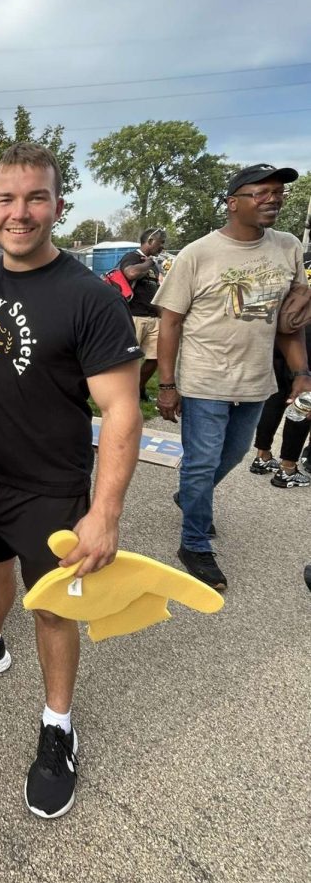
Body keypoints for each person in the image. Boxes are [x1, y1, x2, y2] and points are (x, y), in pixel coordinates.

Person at [0, 142, 143, 820]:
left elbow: (122, 410)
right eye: (6, 198)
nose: (19, 212)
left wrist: (104, 512)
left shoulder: (89, 299)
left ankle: (58, 726)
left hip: (49, 484)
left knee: (51, 607)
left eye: (35, 197)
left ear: (58, 204)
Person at [155, 164, 311, 590]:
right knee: (203, 461)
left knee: (237, 452)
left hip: (257, 379)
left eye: (278, 192)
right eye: (261, 192)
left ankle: (191, 494)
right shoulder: (197, 254)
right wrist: (167, 385)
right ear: (232, 202)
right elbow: (169, 323)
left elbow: (288, 322)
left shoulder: (288, 247)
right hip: (205, 378)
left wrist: (301, 372)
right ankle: (195, 543)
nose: (273, 199)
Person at [249, 324, 311, 488]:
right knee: (302, 403)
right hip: (305, 343)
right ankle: (287, 469)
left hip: (284, 334)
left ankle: (262, 457)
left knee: (275, 396)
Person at [118, 227, 167, 400]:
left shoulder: (154, 265)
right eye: (161, 243)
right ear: (151, 241)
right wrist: (149, 262)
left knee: (156, 358)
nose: (162, 247)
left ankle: (138, 388)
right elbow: (130, 273)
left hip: (153, 317)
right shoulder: (133, 257)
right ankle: (122, 394)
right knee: (129, 359)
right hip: (134, 316)